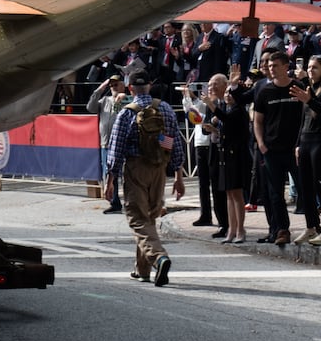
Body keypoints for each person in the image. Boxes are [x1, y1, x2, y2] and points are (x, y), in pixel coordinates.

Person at [105, 70, 185, 286]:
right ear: (150, 86)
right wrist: (178, 175)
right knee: (149, 217)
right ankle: (142, 270)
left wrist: (110, 179)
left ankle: (159, 257)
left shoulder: (127, 113)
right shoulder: (165, 109)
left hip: (136, 167)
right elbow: (174, 142)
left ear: (130, 88)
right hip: (159, 167)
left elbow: (116, 149)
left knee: (137, 218)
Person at [252, 49, 307, 246]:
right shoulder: (265, 92)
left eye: (275, 65)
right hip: (271, 150)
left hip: (294, 149)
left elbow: (307, 113)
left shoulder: (298, 87)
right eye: (269, 66)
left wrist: (301, 143)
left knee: (303, 189)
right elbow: (257, 120)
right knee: (275, 193)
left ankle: (312, 227)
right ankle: (282, 229)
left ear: (286, 67)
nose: (271, 69)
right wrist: (261, 143)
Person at [296, 54, 321, 245]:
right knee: (306, 188)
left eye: (315, 68)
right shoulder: (308, 88)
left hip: (320, 140)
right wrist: (297, 144)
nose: (311, 71)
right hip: (305, 140)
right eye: (309, 67)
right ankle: (311, 227)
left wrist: (310, 100)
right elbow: (302, 119)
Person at [208, 72, 252, 243]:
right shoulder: (227, 110)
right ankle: (231, 230)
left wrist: (211, 106)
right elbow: (226, 130)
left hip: (237, 156)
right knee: (229, 194)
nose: (227, 96)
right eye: (225, 93)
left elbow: (227, 119)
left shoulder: (238, 111)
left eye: (230, 93)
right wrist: (215, 131)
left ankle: (240, 229)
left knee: (237, 194)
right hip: (225, 155)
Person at [88, 73, 133, 213]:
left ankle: (132, 201)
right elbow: (90, 107)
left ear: (122, 85)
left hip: (122, 143)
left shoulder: (127, 99)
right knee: (110, 174)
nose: (113, 87)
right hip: (106, 143)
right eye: (111, 85)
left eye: (116, 84)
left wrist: (125, 97)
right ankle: (114, 202)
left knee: (127, 175)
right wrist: (100, 89)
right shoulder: (105, 101)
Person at [182, 82, 222, 231]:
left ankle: (221, 217)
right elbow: (191, 113)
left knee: (216, 183)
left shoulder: (215, 104)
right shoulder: (200, 104)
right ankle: (205, 214)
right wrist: (187, 97)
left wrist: (196, 99)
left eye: (211, 89)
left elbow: (201, 107)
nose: (208, 92)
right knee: (203, 183)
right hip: (200, 143)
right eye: (208, 89)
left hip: (212, 144)